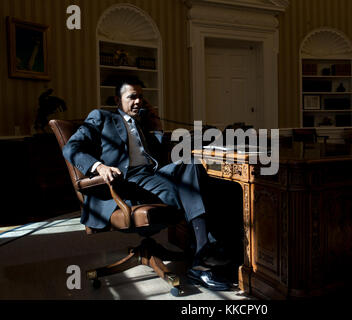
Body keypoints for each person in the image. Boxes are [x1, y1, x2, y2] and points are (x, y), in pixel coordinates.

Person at [63, 78, 231, 291]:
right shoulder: (102, 117)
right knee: (189, 191)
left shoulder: (141, 122)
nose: (138, 101)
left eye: (141, 96)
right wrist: (99, 167)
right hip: (127, 181)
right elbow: (71, 147)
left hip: (153, 174)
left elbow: (159, 157)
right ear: (117, 99)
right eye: (132, 96)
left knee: (193, 166)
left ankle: (208, 251)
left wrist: (157, 127)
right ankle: (203, 259)